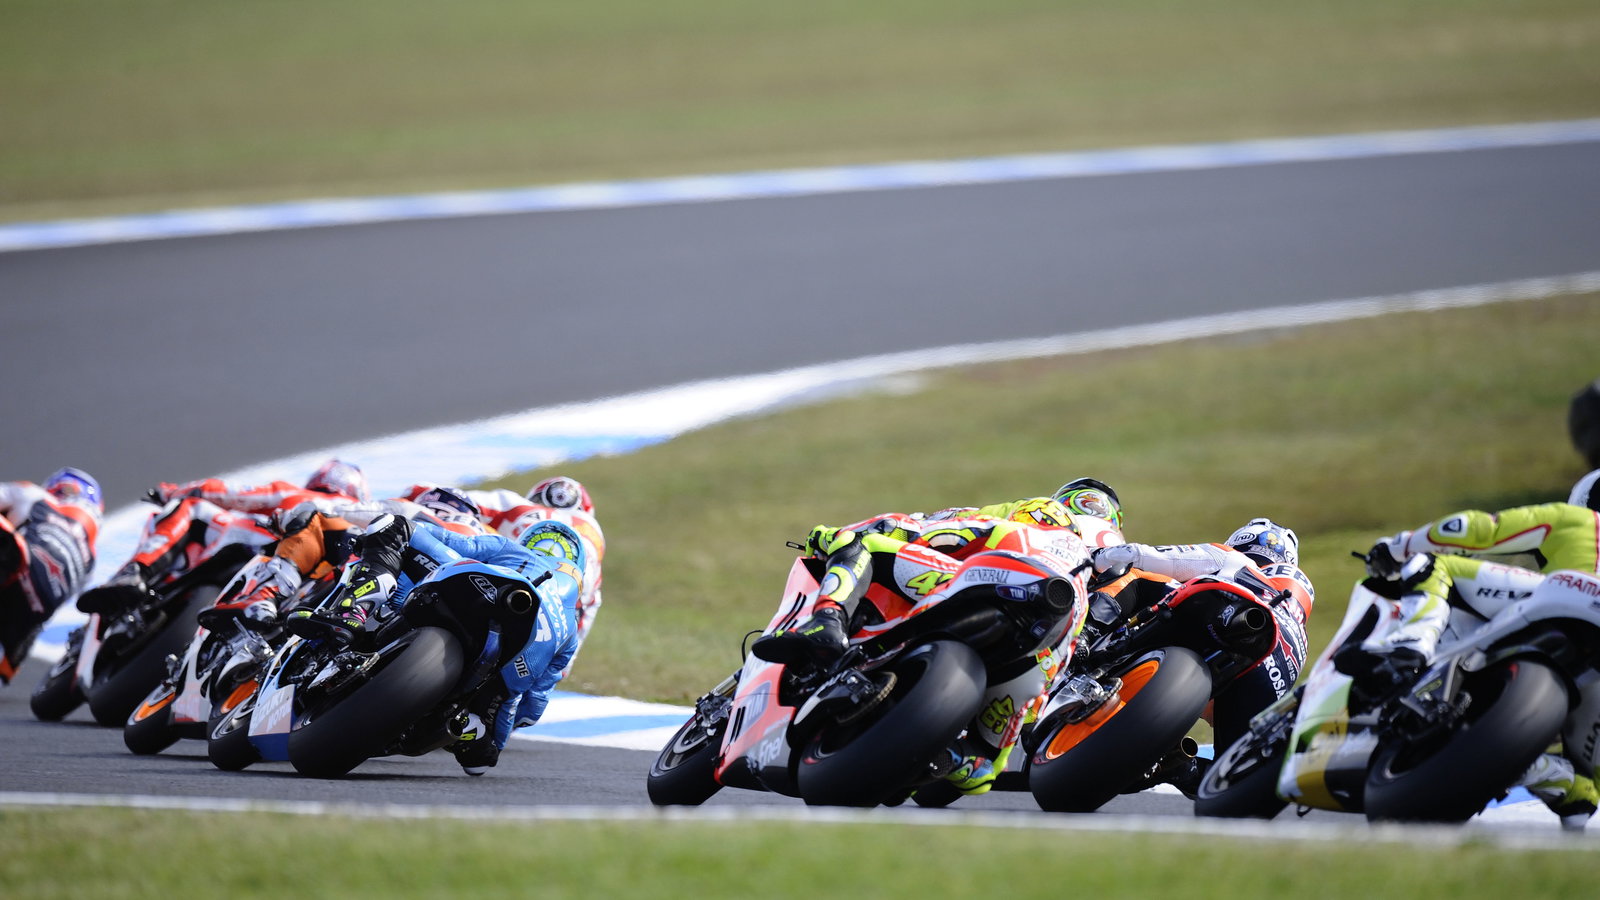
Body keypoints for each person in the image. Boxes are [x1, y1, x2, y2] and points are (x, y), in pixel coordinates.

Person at [752, 498, 1087, 796]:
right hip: (1040, 643)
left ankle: (827, 621)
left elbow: (912, 532)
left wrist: (827, 536)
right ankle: (943, 758)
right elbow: (1048, 678)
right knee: (981, 767)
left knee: (862, 543)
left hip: (985, 582)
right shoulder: (1080, 594)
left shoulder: (1014, 530)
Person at [285, 514, 584, 776]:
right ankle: (464, 726)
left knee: (394, 527)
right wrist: (494, 742)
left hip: (479, 587)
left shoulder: (510, 548)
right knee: (482, 758)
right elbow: (532, 709)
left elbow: (457, 544)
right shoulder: (571, 629)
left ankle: (353, 611)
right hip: (519, 656)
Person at [1336, 552, 1599, 830]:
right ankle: (1537, 771)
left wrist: (1401, 545)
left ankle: (1411, 644)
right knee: (1585, 795)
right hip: (1573, 662)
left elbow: (1485, 526)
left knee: (1428, 564)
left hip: (1565, 595)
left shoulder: (1578, 517)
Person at [1087, 518, 1315, 793]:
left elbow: (1142, 557)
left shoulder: (1232, 559)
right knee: (1226, 779)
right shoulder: (1300, 641)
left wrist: (1092, 559)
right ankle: (1180, 767)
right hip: (1269, 673)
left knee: (1135, 576)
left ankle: (1085, 638)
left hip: (1220, 614)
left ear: (1241, 543)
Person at [78, 458, 370, 617]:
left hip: (264, 547)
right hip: (310, 590)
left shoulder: (300, 496)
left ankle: (135, 573)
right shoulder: (362, 517)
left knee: (191, 508)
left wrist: (171, 492)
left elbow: (229, 494)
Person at [198, 484, 487, 631]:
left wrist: (287, 518)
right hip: (463, 601)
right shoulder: (485, 536)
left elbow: (339, 510)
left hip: (391, 579)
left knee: (316, 518)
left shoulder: (412, 509)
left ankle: (265, 597)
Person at [405, 476, 606, 667]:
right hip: (554, 610)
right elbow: (590, 605)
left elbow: (451, 497)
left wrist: (412, 495)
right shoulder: (595, 536)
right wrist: (565, 665)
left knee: (462, 530)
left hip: (504, 577)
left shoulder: (516, 505)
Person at [0, 468, 103, 684]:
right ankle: (7, 666)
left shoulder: (34, 494)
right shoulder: (92, 559)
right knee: (27, 632)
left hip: (19, 563)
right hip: (35, 610)